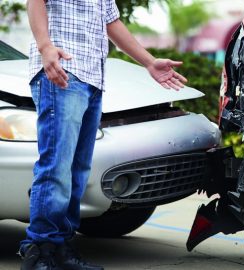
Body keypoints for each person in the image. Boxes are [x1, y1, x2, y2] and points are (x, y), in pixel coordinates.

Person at [20, 1, 187, 270]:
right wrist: (45, 46)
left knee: (77, 172)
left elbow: (111, 23)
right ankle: (41, 251)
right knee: (57, 168)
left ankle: (61, 248)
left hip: (92, 79)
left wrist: (149, 62)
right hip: (62, 71)